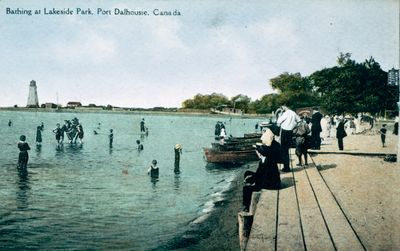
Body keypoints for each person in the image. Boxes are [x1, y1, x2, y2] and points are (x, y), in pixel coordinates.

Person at [242, 134, 281, 211]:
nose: (257, 154)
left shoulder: (268, 162)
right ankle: (249, 185)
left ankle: (246, 207)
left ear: (261, 153)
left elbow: (262, 176)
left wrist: (253, 182)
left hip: (271, 184)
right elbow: (259, 174)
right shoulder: (264, 160)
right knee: (247, 173)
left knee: (247, 189)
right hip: (267, 179)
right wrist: (250, 178)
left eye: (258, 153)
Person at [276, 105, 300, 172]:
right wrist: (293, 126)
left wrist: (280, 114)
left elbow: (278, 121)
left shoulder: (285, 113)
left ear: (283, 107)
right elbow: (299, 121)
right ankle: (286, 166)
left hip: (284, 132)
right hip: (290, 132)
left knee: (284, 151)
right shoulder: (293, 113)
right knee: (286, 150)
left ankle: (286, 167)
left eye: (282, 108)